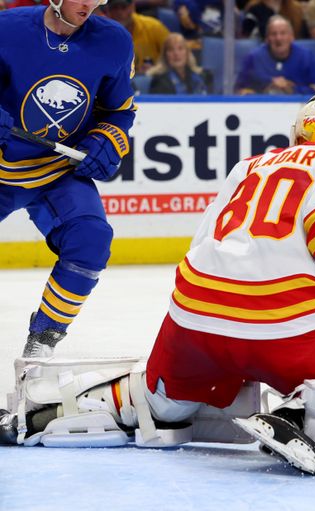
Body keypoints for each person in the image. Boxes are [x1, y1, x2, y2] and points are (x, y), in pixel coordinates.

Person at [0, 93, 315, 476]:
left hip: (192, 318)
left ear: (298, 134)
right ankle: (299, 411)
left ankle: (54, 410)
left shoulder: (252, 164)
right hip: (285, 326)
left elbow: (205, 241)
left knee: (163, 404)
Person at [0, 1, 136, 357]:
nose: (89, 4)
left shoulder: (114, 41)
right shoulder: (7, 28)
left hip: (57, 172)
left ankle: (43, 342)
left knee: (91, 239)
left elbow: (119, 112)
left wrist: (107, 139)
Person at [235, 15, 315, 95]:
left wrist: (293, 89)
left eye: (283, 33)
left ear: (292, 37)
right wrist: (268, 86)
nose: (278, 38)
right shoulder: (253, 58)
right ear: (267, 39)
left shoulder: (308, 57)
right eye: (273, 34)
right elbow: (238, 91)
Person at [104, 0, 170, 75]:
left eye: (123, 7)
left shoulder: (153, 27)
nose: (119, 12)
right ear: (108, 10)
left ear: (132, 7)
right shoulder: (102, 35)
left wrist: (156, 68)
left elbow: (174, 50)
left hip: (154, 80)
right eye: (115, 8)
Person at [147, 33, 214, 94]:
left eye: (180, 49)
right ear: (165, 55)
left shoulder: (203, 77)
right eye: (171, 49)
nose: (176, 53)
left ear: (187, 53)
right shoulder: (159, 82)